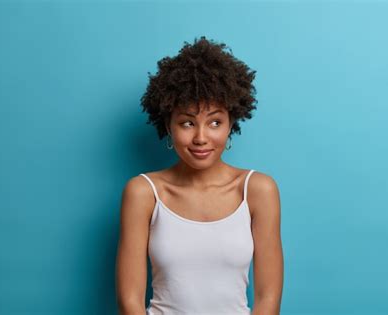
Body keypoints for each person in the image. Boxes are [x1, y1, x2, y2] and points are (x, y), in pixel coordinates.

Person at [115, 36, 284, 315]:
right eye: (187, 123)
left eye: (215, 122)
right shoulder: (143, 192)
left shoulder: (257, 190)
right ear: (168, 125)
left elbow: (268, 299)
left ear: (232, 123)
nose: (201, 137)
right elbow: (129, 301)